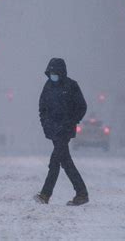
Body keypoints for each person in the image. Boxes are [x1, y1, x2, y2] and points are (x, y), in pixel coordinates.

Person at [34, 58, 89, 206]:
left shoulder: (71, 86)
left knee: (55, 162)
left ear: (62, 72)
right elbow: (42, 109)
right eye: (51, 73)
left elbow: (82, 107)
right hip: (53, 130)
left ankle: (45, 194)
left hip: (65, 130)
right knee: (64, 161)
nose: (53, 75)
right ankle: (81, 193)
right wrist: (45, 125)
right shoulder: (48, 87)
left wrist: (71, 121)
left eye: (55, 73)